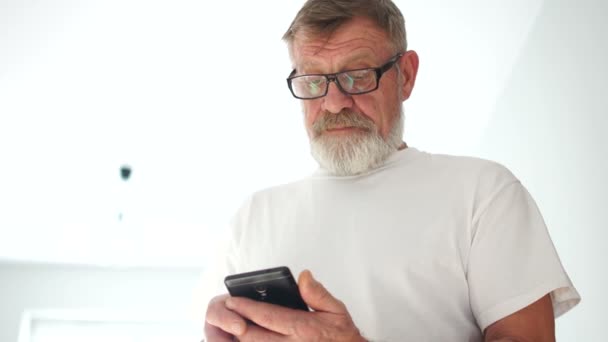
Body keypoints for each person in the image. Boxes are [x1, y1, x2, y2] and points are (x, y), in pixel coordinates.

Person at [204, 0, 580, 340]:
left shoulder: (484, 194)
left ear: (406, 75)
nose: (334, 104)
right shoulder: (253, 216)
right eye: (314, 80)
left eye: (358, 75)